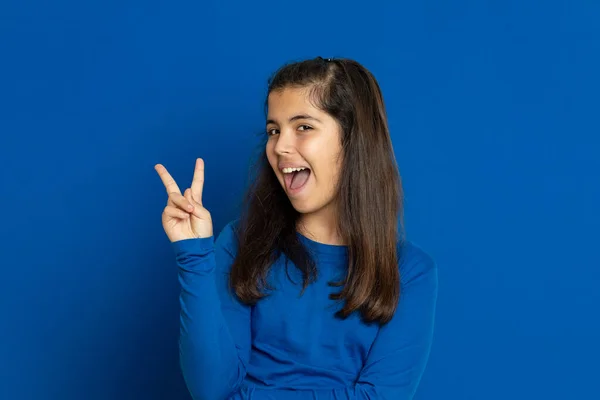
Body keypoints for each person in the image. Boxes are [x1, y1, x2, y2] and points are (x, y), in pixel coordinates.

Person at [155, 57, 439, 400]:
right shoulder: (239, 244)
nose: (280, 147)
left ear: (353, 141)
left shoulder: (410, 272)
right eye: (274, 130)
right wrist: (194, 258)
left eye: (303, 127)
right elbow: (211, 390)